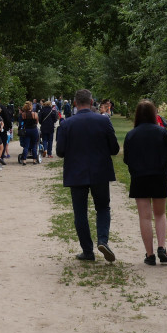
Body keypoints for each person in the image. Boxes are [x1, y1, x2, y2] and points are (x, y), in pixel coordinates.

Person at [55, 89, 120, 262]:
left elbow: (60, 151)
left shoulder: (66, 124)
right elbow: (114, 149)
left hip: (76, 172)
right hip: (100, 171)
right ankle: (102, 240)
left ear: (75, 103)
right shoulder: (103, 121)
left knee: (80, 212)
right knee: (103, 207)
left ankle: (87, 251)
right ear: (92, 103)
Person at [123, 100, 167, 265]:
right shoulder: (162, 132)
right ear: (154, 114)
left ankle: (150, 254)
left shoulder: (131, 135)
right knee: (160, 214)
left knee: (145, 217)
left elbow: (126, 159)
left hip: (139, 177)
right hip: (159, 176)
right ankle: (162, 247)